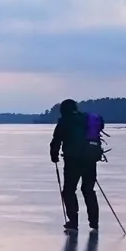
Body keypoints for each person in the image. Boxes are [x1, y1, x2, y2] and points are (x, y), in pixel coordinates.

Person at [49, 98, 105, 233]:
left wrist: (54, 156)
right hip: (90, 160)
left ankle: (73, 223)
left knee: (69, 191)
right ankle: (94, 224)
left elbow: (56, 141)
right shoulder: (86, 119)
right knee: (88, 190)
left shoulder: (64, 122)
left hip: (72, 161)